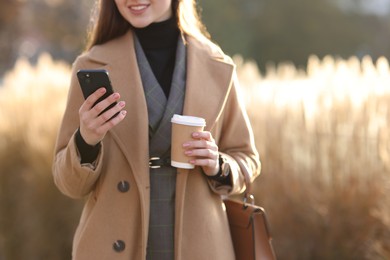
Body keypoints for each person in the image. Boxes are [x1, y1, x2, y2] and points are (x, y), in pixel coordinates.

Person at [52, 0, 261, 259]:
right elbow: (68, 184)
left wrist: (217, 164)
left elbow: (247, 159)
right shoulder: (91, 65)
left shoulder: (217, 65)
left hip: (201, 247)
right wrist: (86, 141)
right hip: (111, 246)